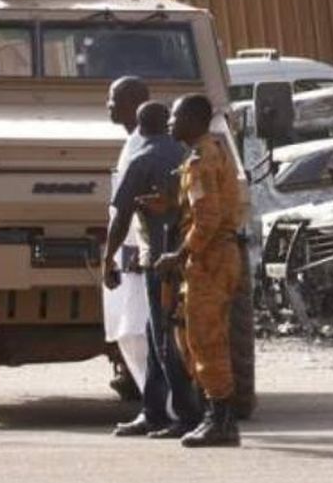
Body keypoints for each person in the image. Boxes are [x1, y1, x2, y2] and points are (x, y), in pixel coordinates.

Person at [148, 94, 247, 448]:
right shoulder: (201, 155)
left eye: (175, 117)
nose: (170, 123)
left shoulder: (202, 160)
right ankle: (214, 414)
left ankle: (220, 420)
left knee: (207, 340)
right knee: (196, 339)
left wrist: (177, 255)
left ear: (192, 119)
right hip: (212, 259)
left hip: (210, 261)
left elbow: (207, 220)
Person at [103, 101, 202, 439]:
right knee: (156, 332)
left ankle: (187, 415)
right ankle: (154, 411)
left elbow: (121, 219)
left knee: (163, 339)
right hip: (187, 256)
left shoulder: (141, 158)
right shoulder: (187, 154)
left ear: (140, 126)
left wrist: (108, 261)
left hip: (160, 261)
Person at [103, 76, 152, 432]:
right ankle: (155, 407)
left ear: (133, 102)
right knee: (131, 333)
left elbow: (129, 209)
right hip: (131, 252)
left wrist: (115, 253)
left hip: (138, 255)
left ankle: (158, 409)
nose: (108, 105)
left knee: (137, 333)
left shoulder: (143, 145)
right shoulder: (132, 142)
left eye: (113, 99)